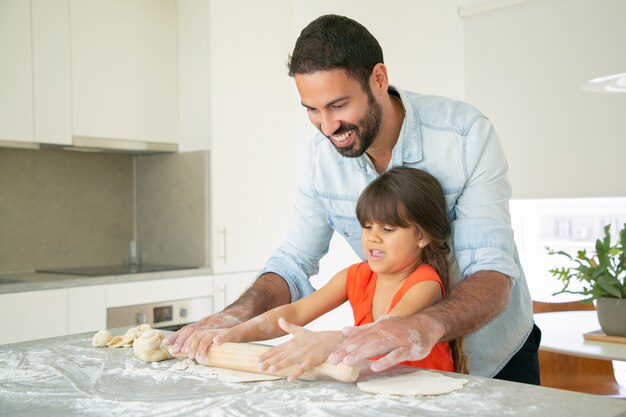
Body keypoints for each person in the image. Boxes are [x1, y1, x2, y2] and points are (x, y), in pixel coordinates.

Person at [165, 14, 540, 384]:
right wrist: (232, 320)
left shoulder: (464, 135)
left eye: (339, 105)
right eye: (312, 110)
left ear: (379, 79)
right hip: (394, 367)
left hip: (496, 353)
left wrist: (418, 328)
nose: (327, 127)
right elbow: (293, 264)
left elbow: (490, 272)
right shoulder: (322, 157)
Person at [211, 167, 468, 381]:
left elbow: (385, 328)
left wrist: (330, 342)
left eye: (388, 229)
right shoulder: (355, 276)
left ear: (421, 236)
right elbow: (295, 312)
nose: (373, 238)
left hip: (430, 395)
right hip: (378, 390)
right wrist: (232, 332)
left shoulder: (425, 283)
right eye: (367, 226)